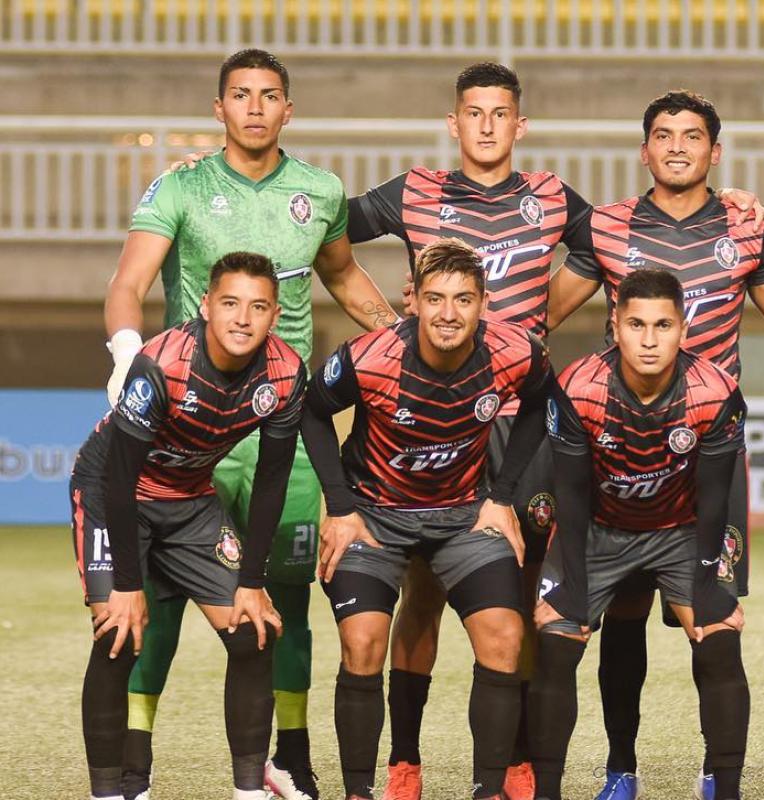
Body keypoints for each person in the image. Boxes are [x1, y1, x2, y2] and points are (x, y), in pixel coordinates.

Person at [342, 63, 764, 800]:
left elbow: (633, 237)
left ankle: (520, 761)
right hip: (441, 419)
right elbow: (325, 228)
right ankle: (405, 759)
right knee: (422, 594)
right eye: (473, 112)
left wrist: (730, 205)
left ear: (520, 124)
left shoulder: (552, 199)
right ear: (454, 122)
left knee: (528, 597)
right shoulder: (415, 191)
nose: (485, 126)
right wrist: (388, 320)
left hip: (526, 423)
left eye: (499, 113)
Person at [104, 48, 398, 800]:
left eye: (270, 95)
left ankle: (288, 757)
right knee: (160, 599)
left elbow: (342, 275)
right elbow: (128, 281)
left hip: (281, 426)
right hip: (189, 430)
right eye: (241, 94)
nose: (256, 107)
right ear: (220, 108)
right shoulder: (182, 186)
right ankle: (136, 761)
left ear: (288, 110)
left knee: (284, 597)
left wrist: (400, 339)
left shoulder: (319, 190)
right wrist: (126, 354)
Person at [545, 89, 764, 800]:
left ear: (716, 152)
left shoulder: (747, 226)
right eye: (663, 134)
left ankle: (718, 775)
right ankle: (621, 769)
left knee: (712, 621)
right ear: (644, 149)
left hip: (709, 458)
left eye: (692, 136)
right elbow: (540, 313)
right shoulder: (607, 225)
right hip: (618, 454)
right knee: (620, 619)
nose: (677, 146)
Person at [299, 238, 553, 800]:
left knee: (505, 635)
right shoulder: (368, 357)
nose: (448, 313)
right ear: (411, 300)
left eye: (463, 299)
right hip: (375, 517)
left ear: (484, 303)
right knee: (363, 640)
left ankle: (489, 789)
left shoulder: (516, 350)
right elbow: (312, 413)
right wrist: (340, 507)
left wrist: (502, 495)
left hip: (463, 516)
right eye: (435, 298)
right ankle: (364, 790)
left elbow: (540, 403)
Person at [73, 253, 305, 800]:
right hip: (114, 494)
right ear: (205, 306)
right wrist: (127, 586)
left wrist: (252, 581)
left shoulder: (286, 373)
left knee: (253, 631)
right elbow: (119, 479)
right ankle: (109, 793)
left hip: (191, 499)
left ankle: (249, 791)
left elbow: (272, 481)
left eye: (258, 307)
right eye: (230, 303)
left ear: (275, 315)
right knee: (118, 635)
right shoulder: (161, 365)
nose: (242, 319)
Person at [528, 269, 751, 800]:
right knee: (557, 638)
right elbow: (571, 496)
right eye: (636, 325)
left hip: (682, 529)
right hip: (599, 528)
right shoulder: (578, 387)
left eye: (663, 325)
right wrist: (573, 586)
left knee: (719, 637)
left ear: (684, 328)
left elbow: (715, 499)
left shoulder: (715, 392)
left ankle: (725, 786)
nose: (649, 340)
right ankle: (586, 781)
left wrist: (707, 583)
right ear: (615, 325)